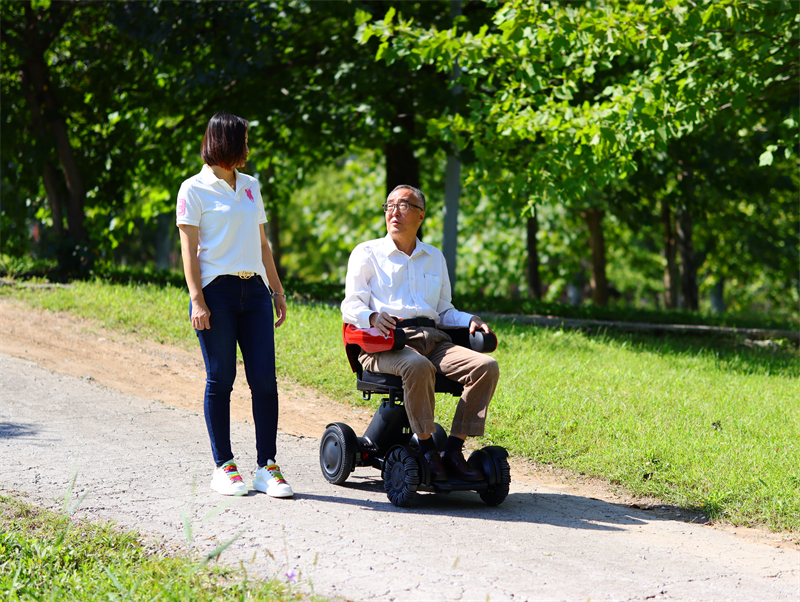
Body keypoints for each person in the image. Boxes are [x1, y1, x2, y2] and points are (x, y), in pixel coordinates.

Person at [341, 184, 500, 482]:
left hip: (433, 339)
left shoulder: (434, 257)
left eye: (403, 205)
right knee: (417, 366)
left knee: (486, 367)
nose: (394, 211)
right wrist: (372, 316)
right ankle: (428, 451)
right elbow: (350, 306)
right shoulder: (367, 253)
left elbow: (443, 310)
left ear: (421, 216)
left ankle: (453, 450)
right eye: (389, 205)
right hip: (385, 343)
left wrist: (470, 320)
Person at [176, 112, 293, 498]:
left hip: (255, 292)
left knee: (264, 381)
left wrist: (276, 290)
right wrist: (197, 300)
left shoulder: (251, 186)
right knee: (220, 380)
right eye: (243, 139)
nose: (248, 147)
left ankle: (267, 466)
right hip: (217, 295)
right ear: (226, 142)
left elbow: (262, 245)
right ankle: (224, 466)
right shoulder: (192, 189)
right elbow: (189, 251)